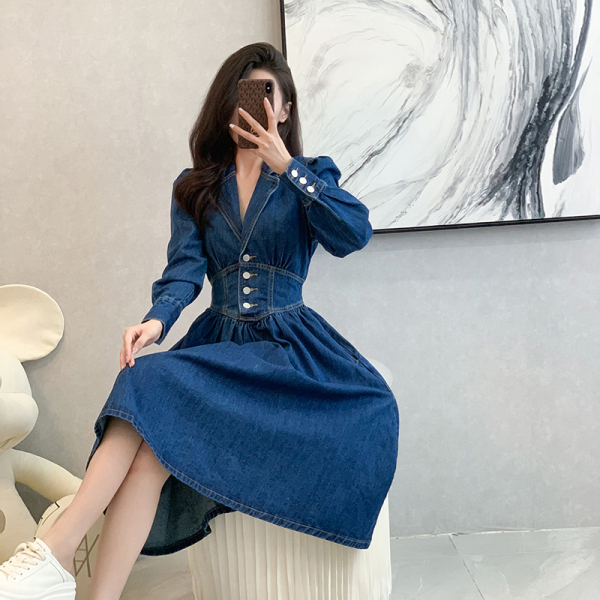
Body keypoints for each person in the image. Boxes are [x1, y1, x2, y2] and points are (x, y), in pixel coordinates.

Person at [0, 42, 399, 600]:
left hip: (287, 344)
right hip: (219, 339)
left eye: (268, 94)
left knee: (148, 396)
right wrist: (155, 323)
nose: (256, 103)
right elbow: (182, 275)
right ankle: (81, 582)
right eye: (245, 92)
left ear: (286, 109)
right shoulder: (196, 186)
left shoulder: (310, 176)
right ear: (226, 103)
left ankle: (53, 556)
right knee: (149, 449)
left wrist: (287, 167)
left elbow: (354, 233)